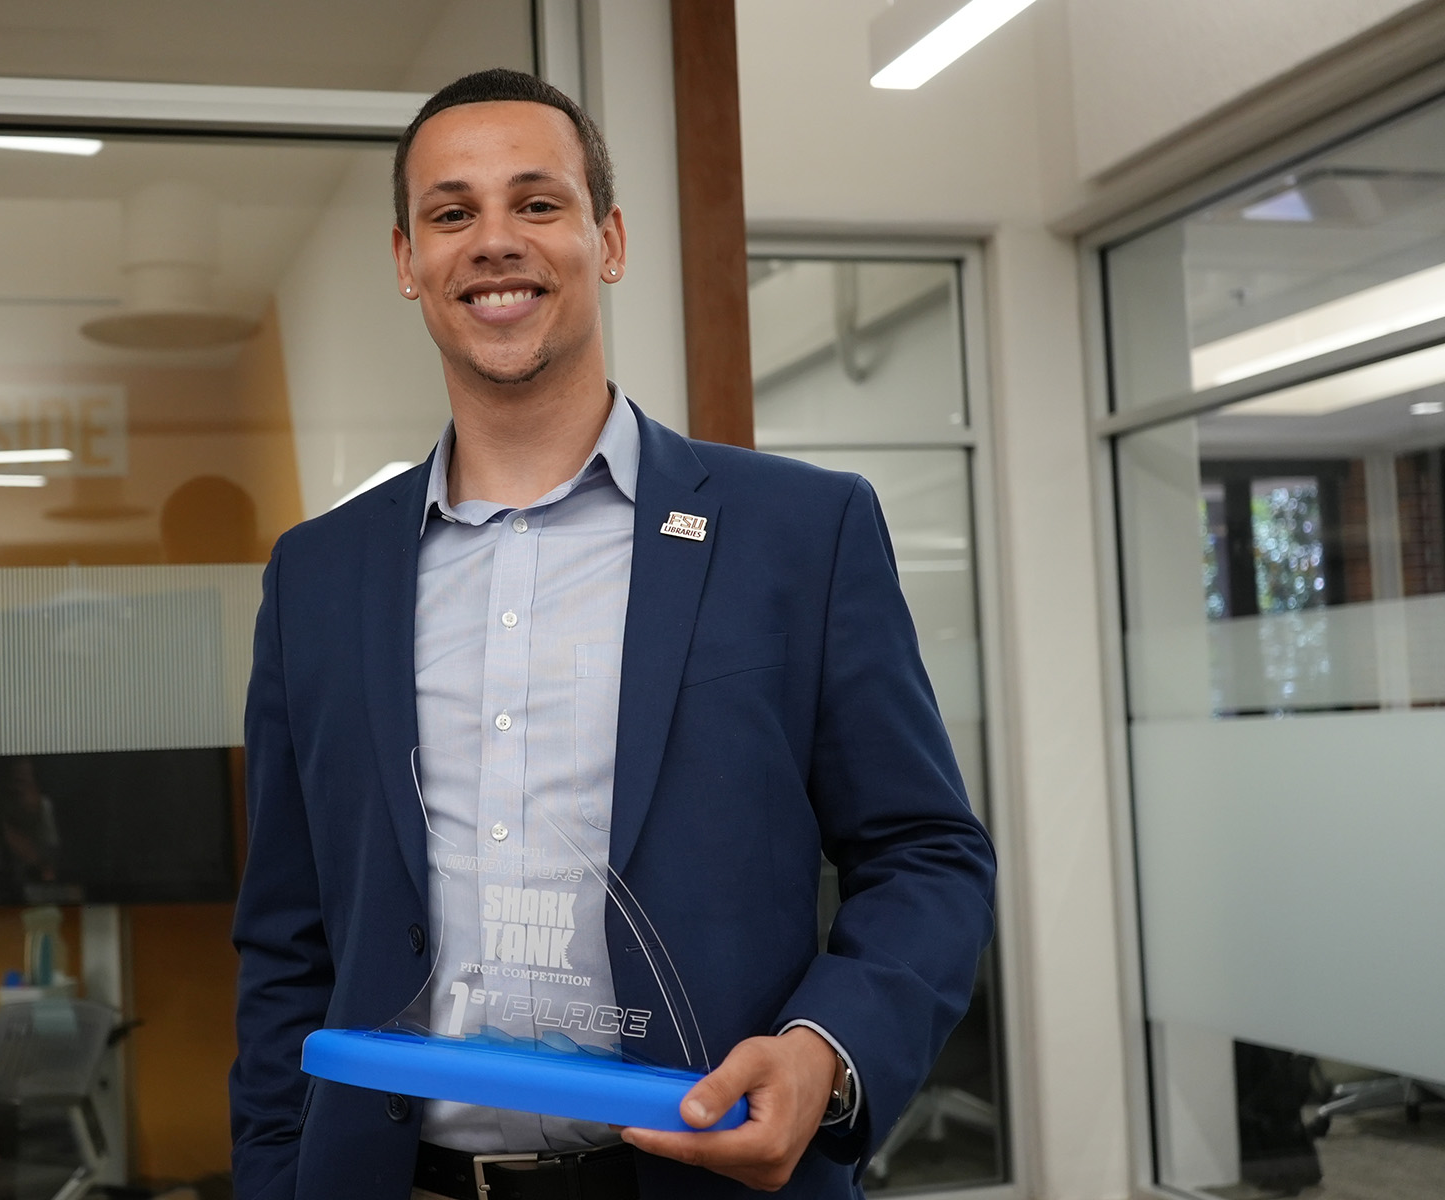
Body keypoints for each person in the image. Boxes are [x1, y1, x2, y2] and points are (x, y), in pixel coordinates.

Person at [230, 68, 995, 1200]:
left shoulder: (800, 532)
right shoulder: (317, 576)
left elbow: (928, 856)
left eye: (537, 204)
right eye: (453, 213)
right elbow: (287, 939)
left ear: (611, 238)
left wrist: (825, 1051)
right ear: (407, 262)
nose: (495, 242)